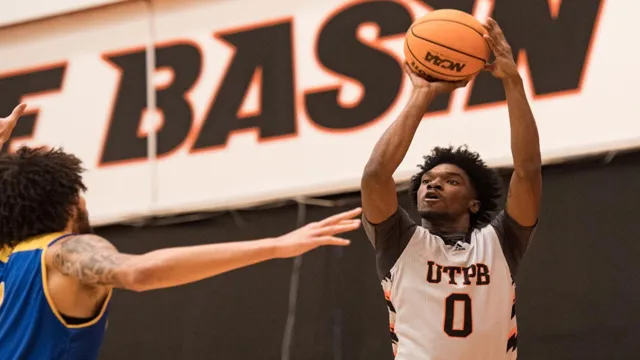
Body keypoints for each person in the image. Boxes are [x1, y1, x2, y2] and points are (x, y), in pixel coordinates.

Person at [0, 104, 363, 360]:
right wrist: (275, 245)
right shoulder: (66, 252)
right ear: (70, 203)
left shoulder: (8, 261)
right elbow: (139, 271)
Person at [360, 19, 541, 360]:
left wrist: (513, 82)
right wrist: (423, 93)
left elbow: (528, 171)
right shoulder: (397, 240)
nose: (433, 183)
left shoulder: (501, 242)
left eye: (450, 180)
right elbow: (375, 175)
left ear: (474, 203)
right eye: (427, 180)